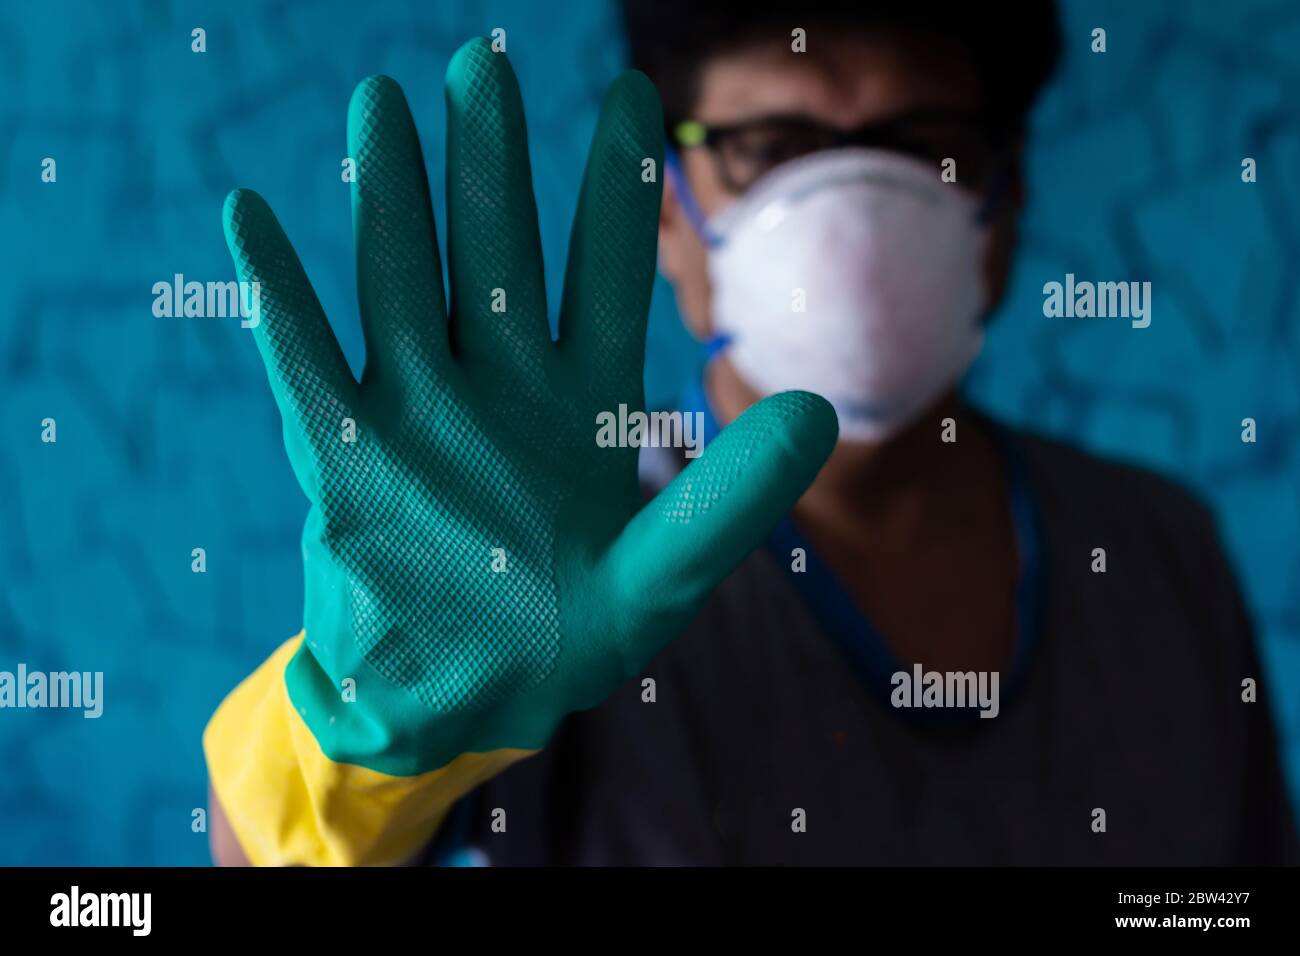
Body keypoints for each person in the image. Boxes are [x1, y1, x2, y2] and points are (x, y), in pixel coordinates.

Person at [206, 1, 1298, 866]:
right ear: (672, 217)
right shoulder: (527, 564)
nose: (856, 228)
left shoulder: (1157, 550)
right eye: (771, 147)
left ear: (1006, 209)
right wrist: (380, 731)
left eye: (926, 147)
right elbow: (259, 855)